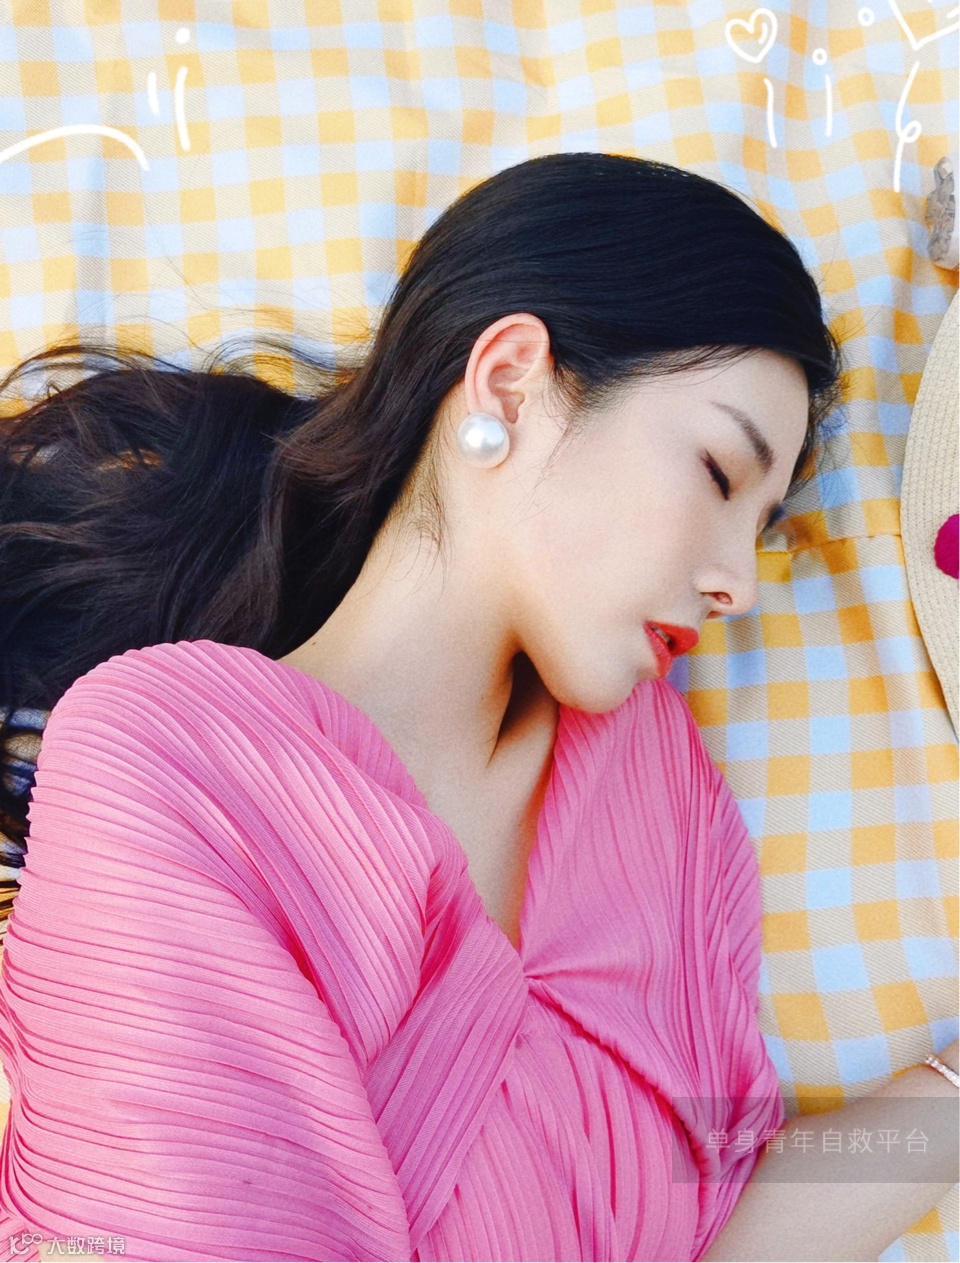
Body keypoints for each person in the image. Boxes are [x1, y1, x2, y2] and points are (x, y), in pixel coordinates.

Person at [0, 151, 954, 1262]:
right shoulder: (169, 757)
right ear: (508, 383)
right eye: (716, 473)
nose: (738, 582)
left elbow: (717, 1214)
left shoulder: (659, 794)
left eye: (765, 526)